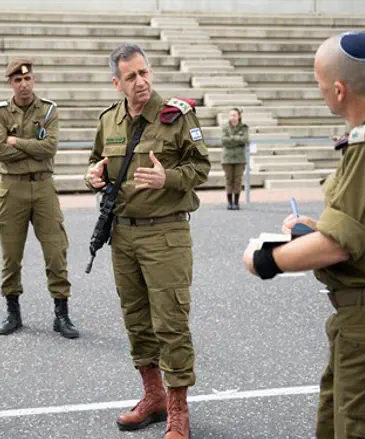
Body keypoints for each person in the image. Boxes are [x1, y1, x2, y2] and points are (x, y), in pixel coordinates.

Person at [242, 32, 365, 439]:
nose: (321, 94)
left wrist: (265, 260)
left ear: (339, 89)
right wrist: (316, 229)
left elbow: (335, 246)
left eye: (319, 86)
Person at [85, 44, 210, 439]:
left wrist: (168, 178)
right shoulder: (109, 121)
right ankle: (152, 397)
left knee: (170, 322)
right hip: (123, 235)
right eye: (131, 77)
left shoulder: (177, 116)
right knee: (137, 321)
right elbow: (97, 165)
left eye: (144, 73)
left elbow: (202, 166)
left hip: (166, 233)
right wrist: (93, 177)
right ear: (117, 83)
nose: (140, 82)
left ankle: (178, 413)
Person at [0, 58, 78, 339]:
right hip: (11, 189)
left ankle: (61, 314)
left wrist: (17, 142)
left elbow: (50, 148)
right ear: (10, 83)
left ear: (34, 80)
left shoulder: (49, 110)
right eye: (17, 80)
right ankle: (12, 312)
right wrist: (33, 148)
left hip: (43, 189)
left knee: (55, 251)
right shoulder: (1, 112)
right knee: (11, 256)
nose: (24, 85)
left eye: (28, 79)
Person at [220, 108, 248, 210]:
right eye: (231, 115)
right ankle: (229, 202)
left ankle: (236, 202)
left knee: (238, 181)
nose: (233, 117)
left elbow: (245, 139)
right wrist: (237, 140)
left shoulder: (244, 127)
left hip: (239, 158)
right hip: (227, 158)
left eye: (234, 115)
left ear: (239, 116)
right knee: (228, 180)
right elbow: (224, 141)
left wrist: (231, 138)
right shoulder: (225, 127)